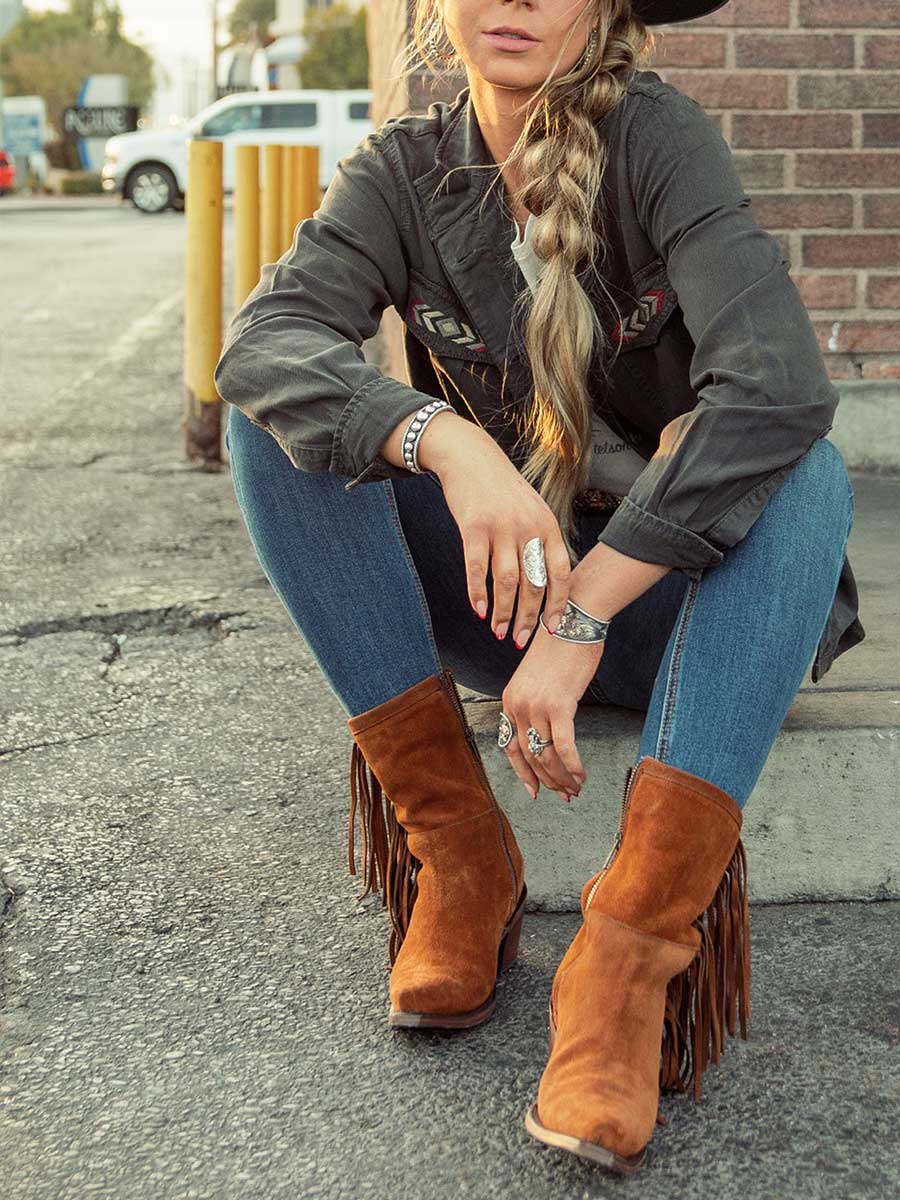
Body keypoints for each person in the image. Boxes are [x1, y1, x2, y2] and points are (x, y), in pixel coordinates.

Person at [213, 0, 865, 1176]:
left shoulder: (659, 142)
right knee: (282, 428)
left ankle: (626, 954)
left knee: (805, 474)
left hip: (689, 616)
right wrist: (440, 443)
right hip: (503, 599)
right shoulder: (405, 171)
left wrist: (585, 612)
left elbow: (773, 385)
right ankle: (462, 855)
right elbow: (265, 346)